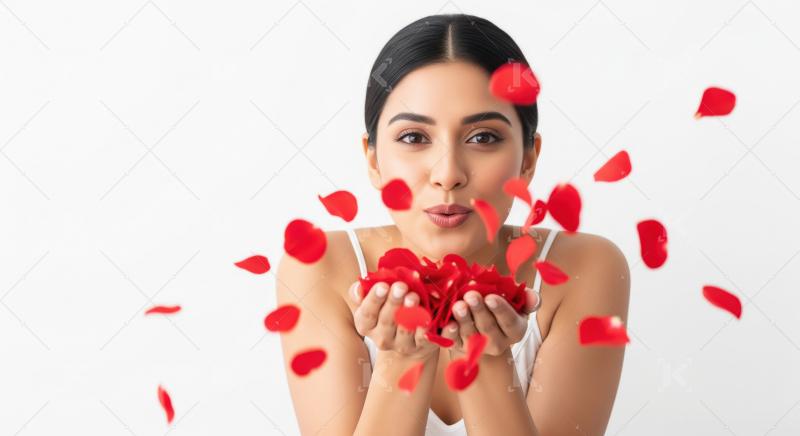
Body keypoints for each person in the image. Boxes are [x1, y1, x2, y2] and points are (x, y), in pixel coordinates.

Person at [277, 13, 630, 436]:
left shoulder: (586, 267)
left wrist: (486, 361)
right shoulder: (319, 266)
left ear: (528, 159)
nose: (448, 174)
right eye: (413, 137)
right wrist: (402, 358)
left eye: (483, 137)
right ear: (373, 160)